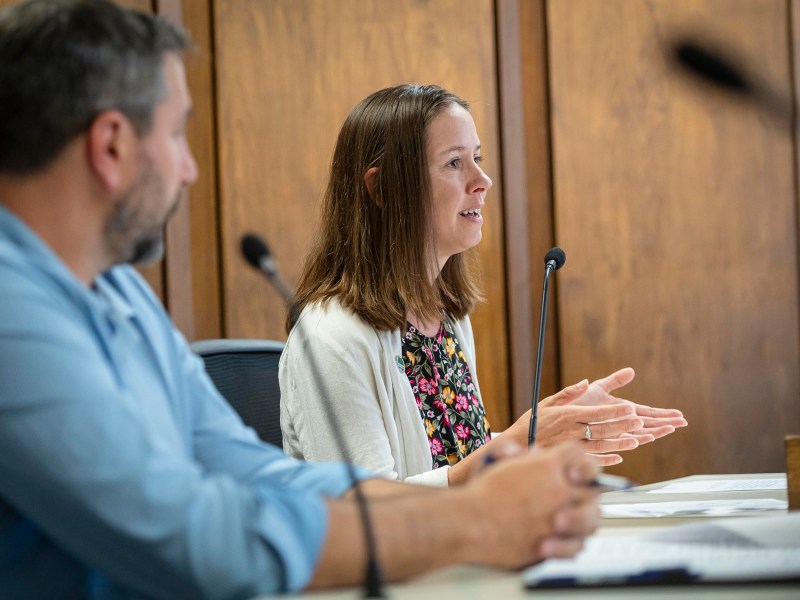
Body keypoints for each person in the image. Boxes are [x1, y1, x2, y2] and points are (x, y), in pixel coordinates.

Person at [0, 1, 601, 598]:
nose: (188, 170)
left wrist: (500, 496)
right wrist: (473, 518)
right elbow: (192, 537)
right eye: (178, 133)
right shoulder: (12, 313)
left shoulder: (118, 291)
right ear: (111, 146)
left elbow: (257, 472)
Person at [280, 84, 688, 486]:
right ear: (382, 188)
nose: (483, 180)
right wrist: (521, 441)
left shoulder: (446, 318)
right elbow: (365, 517)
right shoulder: (329, 338)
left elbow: (456, 460)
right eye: (455, 163)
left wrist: (552, 433)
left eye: (476, 158)